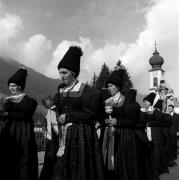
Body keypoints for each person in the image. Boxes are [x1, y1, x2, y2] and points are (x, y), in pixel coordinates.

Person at [52, 46, 104, 180]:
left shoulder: (86, 91)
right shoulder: (61, 92)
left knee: (79, 169)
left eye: (64, 73)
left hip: (81, 135)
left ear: (73, 73)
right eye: (60, 73)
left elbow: (92, 116)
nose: (61, 76)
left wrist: (69, 116)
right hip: (64, 135)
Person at [103, 69, 140, 180]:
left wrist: (117, 122)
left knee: (123, 163)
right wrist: (106, 121)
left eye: (110, 86)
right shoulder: (108, 101)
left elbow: (133, 122)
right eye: (108, 86)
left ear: (117, 87)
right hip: (111, 135)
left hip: (124, 137)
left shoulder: (127, 102)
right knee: (110, 161)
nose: (108, 88)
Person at [2, 68, 38, 180]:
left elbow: (26, 115)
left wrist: (8, 113)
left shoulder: (30, 101)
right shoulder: (7, 101)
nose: (11, 88)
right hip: (9, 134)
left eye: (14, 85)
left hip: (23, 133)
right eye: (10, 85)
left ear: (20, 86)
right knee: (9, 158)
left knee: (24, 159)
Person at [39, 96, 59, 180]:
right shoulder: (50, 111)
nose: (47, 103)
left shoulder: (55, 110)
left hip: (54, 136)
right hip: (52, 136)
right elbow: (45, 122)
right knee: (51, 155)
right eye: (46, 102)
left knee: (52, 155)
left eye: (49, 101)